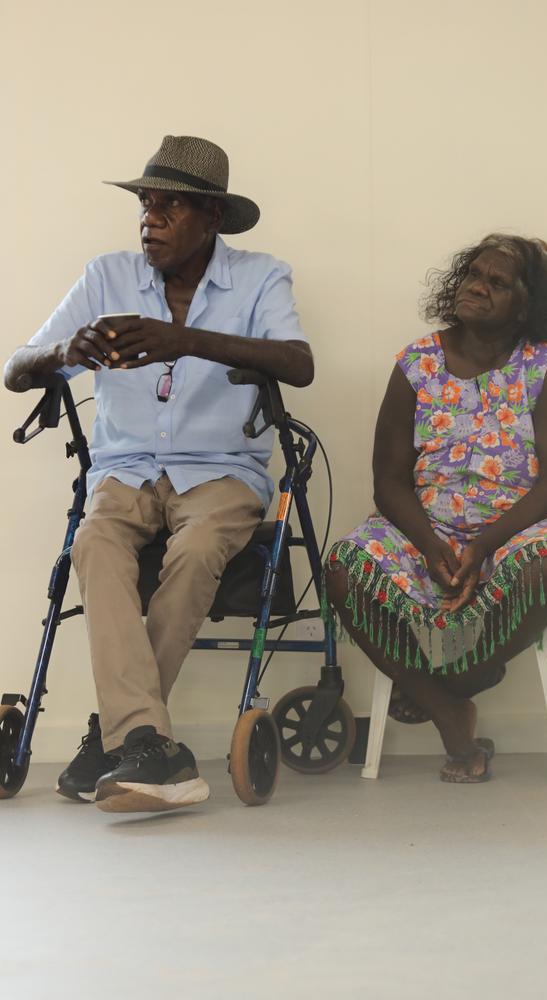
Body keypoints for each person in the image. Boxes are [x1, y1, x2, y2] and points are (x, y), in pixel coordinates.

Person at [4, 135, 313, 812]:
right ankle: (145, 741)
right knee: (94, 546)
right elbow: (15, 369)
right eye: (145, 205)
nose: (149, 219)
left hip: (222, 472)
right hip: (124, 470)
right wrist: (66, 349)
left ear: (211, 216)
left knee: (199, 547)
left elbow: (297, 363)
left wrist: (187, 341)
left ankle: (118, 740)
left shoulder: (262, 276)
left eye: (168, 206)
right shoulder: (105, 277)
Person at [325, 234, 547, 783]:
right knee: (344, 571)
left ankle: (447, 688)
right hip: (430, 525)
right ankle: (452, 709)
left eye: (497, 282)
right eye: (473, 274)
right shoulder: (417, 362)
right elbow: (388, 479)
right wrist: (432, 546)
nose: (477, 285)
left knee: (545, 568)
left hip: (535, 519)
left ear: (528, 304)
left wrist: (485, 543)